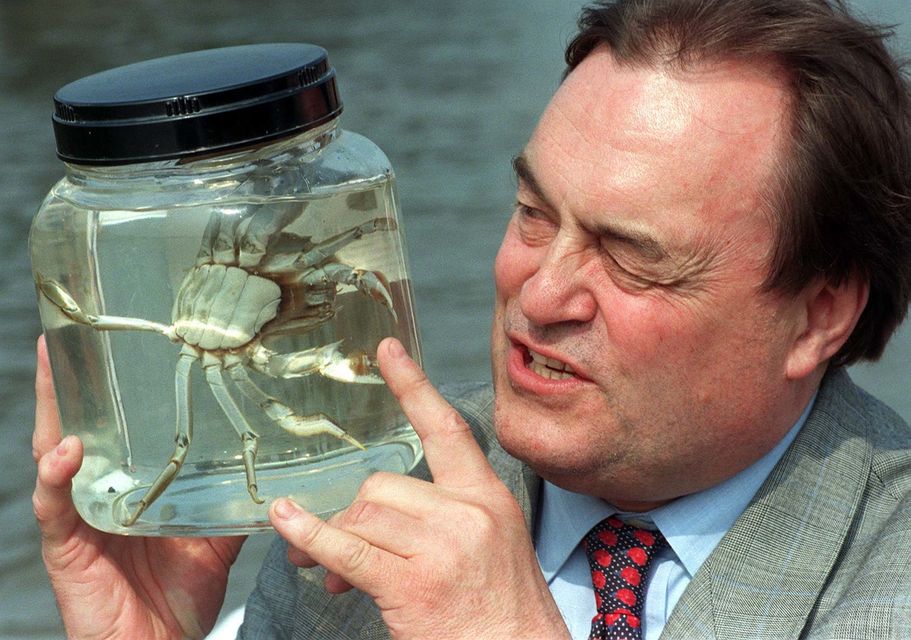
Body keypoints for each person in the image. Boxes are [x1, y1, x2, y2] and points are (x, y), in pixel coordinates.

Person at [32, 0, 911, 638]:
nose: (536, 294)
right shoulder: (353, 494)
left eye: (631, 256)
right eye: (533, 213)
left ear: (816, 317)